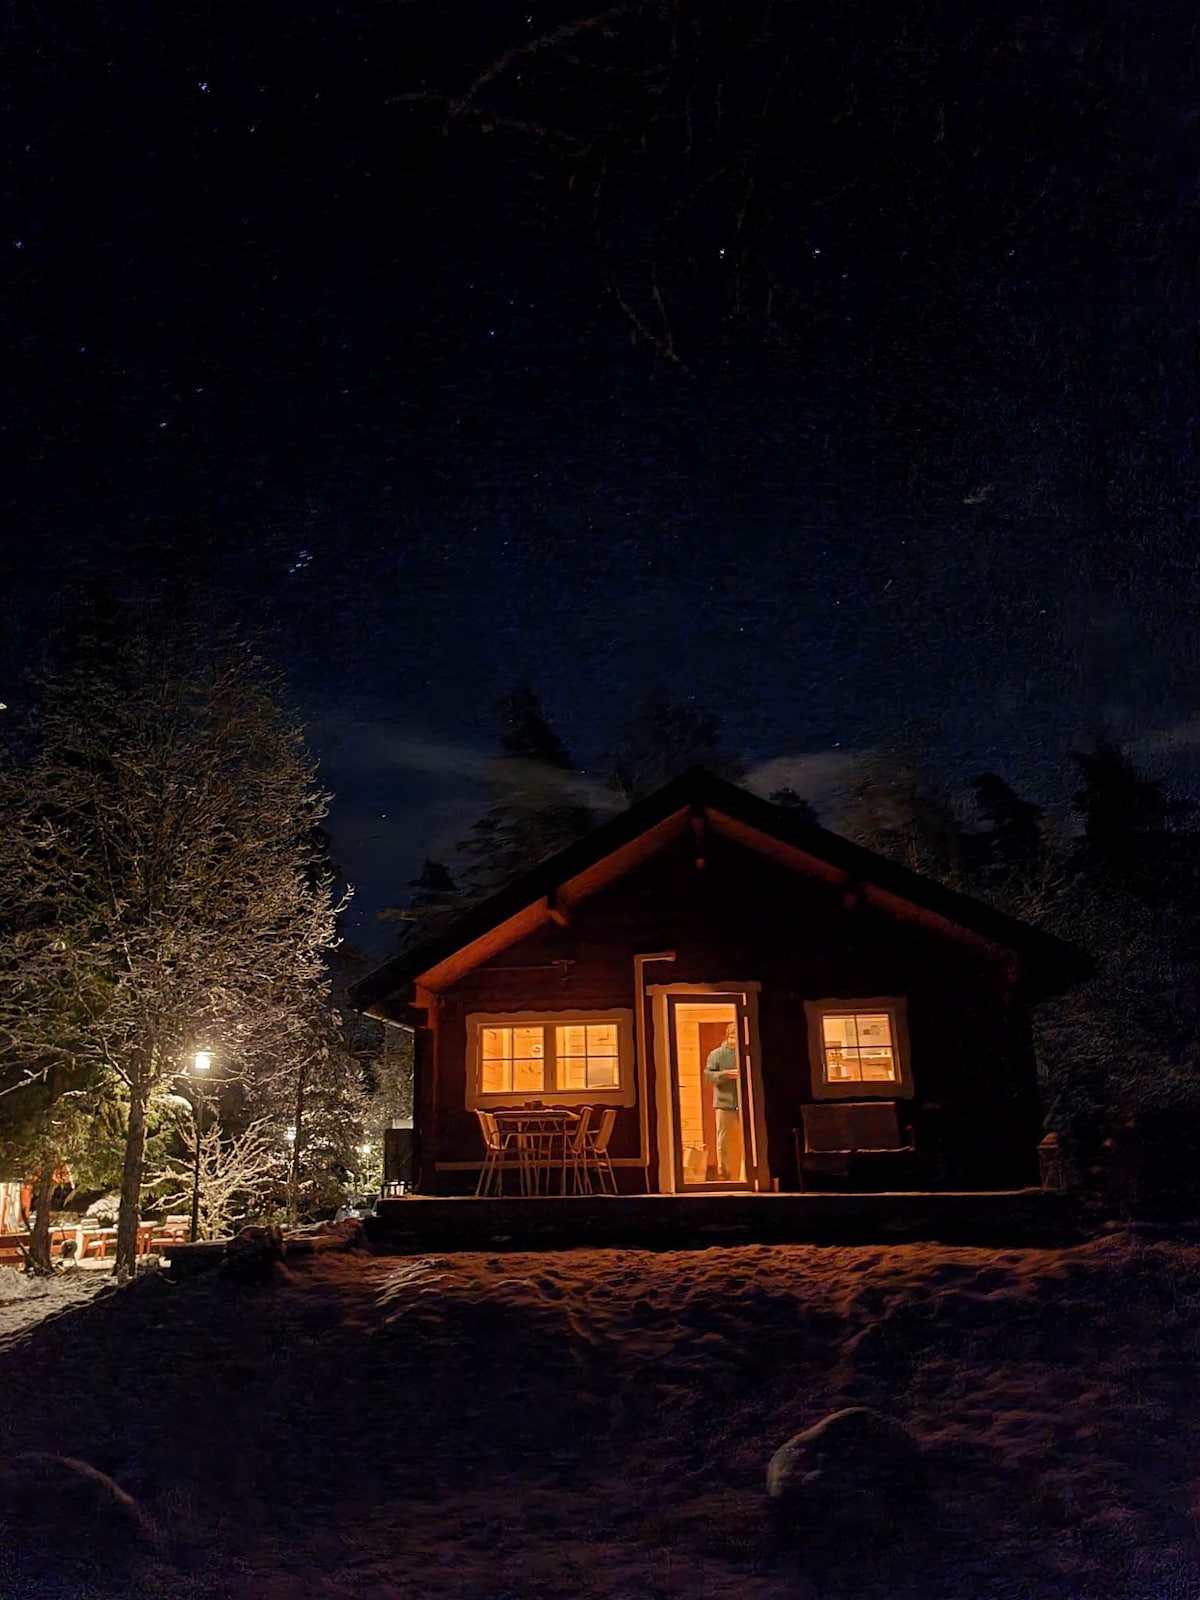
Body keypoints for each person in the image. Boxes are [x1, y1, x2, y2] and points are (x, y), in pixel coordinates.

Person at [704, 1021, 743, 1181]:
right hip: (724, 1104)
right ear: (728, 1037)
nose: (734, 1041)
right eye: (732, 1037)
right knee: (724, 1141)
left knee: (745, 1140)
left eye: (737, 1037)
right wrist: (726, 1074)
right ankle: (724, 1173)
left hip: (745, 1103)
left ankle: (743, 1173)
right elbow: (708, 1076)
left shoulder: (745, 1052)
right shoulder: (716, 1054)